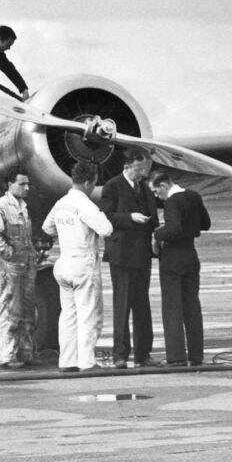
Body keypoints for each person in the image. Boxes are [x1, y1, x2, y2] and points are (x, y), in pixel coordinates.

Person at [41, 162, 113, 372]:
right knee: (88, 314)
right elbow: (106, 229)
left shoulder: (61, 203)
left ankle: (67, 360)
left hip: (64, 263)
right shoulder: (85, 204)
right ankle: (87, 362)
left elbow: (47, 227)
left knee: (68, 315)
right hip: (83, 264)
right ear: (89, 182)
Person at [99, 147, 159, 368]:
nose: (142, 173)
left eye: (144, 169)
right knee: (122, 305)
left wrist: (157, 237)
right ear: (127, 167)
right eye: (138, 168)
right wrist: (130, 217)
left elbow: (154, 216)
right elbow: (105, 216)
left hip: (142, 253)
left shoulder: (144, 187)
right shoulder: (112, 186)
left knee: (142, 305)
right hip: (121, 255)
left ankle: (144, 354)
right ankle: (120, 355)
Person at [150, 171, 212, 367]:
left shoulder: (171, 202)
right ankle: (196, 355)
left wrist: (156, 234)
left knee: (172, 308)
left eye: (155, 191)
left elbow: (173, 228)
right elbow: (206, 224)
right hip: (191, 255)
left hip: (173, 258)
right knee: (192, 306)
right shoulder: (194, 196)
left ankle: (176, 356)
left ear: (163, 186)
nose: (156, 196)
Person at [0, 168, 38, 369]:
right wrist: (8, 253)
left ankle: (26, 353)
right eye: (22, 184)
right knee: (10, 311)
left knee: (27, 312)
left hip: (27, 265)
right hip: (11, 267)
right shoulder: (0, 207)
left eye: (27, 184)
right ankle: (6, 356)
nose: (26, 188)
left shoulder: (22, 207)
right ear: (10, 185)